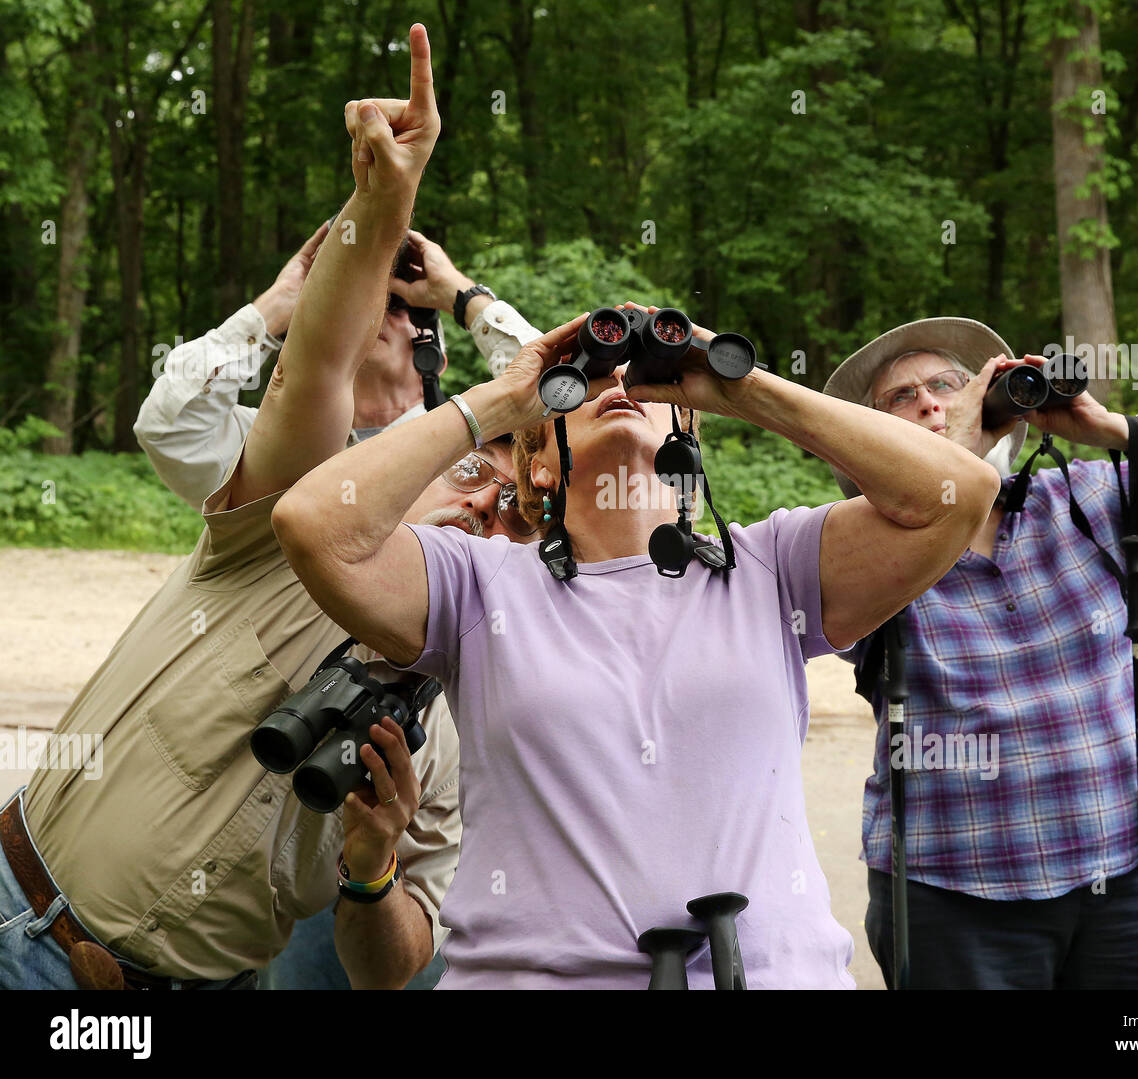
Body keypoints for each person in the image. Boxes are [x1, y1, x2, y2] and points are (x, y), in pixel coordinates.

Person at [270, 36, 1004, 985]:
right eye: (593, 381)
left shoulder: (771, 567)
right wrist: (507, 395)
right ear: (540, 454)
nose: (620, 385)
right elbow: (309, 522)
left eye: (645, 381)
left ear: (686, 430)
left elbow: (956, 492)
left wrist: (733, 381)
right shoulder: (476, 588)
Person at [0, 26, 525, 991]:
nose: (489, 508)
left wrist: (462, 296)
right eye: (470, 475)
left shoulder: (439, 727)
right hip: (20, 925)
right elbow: (230, 395)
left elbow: (577, 419)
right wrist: (362, 224)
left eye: (513, 515)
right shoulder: (305, 514)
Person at [821, 317, 1138, 990]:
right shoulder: (860, 546)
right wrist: (945, 466)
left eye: (948, 384)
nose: (929, 401)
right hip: (952, 890)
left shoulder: (1082, 498)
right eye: (901, 397)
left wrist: (1113, 429)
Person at [134, 224, 541, 513]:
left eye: (395, 304)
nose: (372, 313)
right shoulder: (264, 443)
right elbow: (168, 429)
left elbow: (560, 403)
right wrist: (280, 302)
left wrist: (462, 295)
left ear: (433, 355)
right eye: (354, 304)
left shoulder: (468, 450)